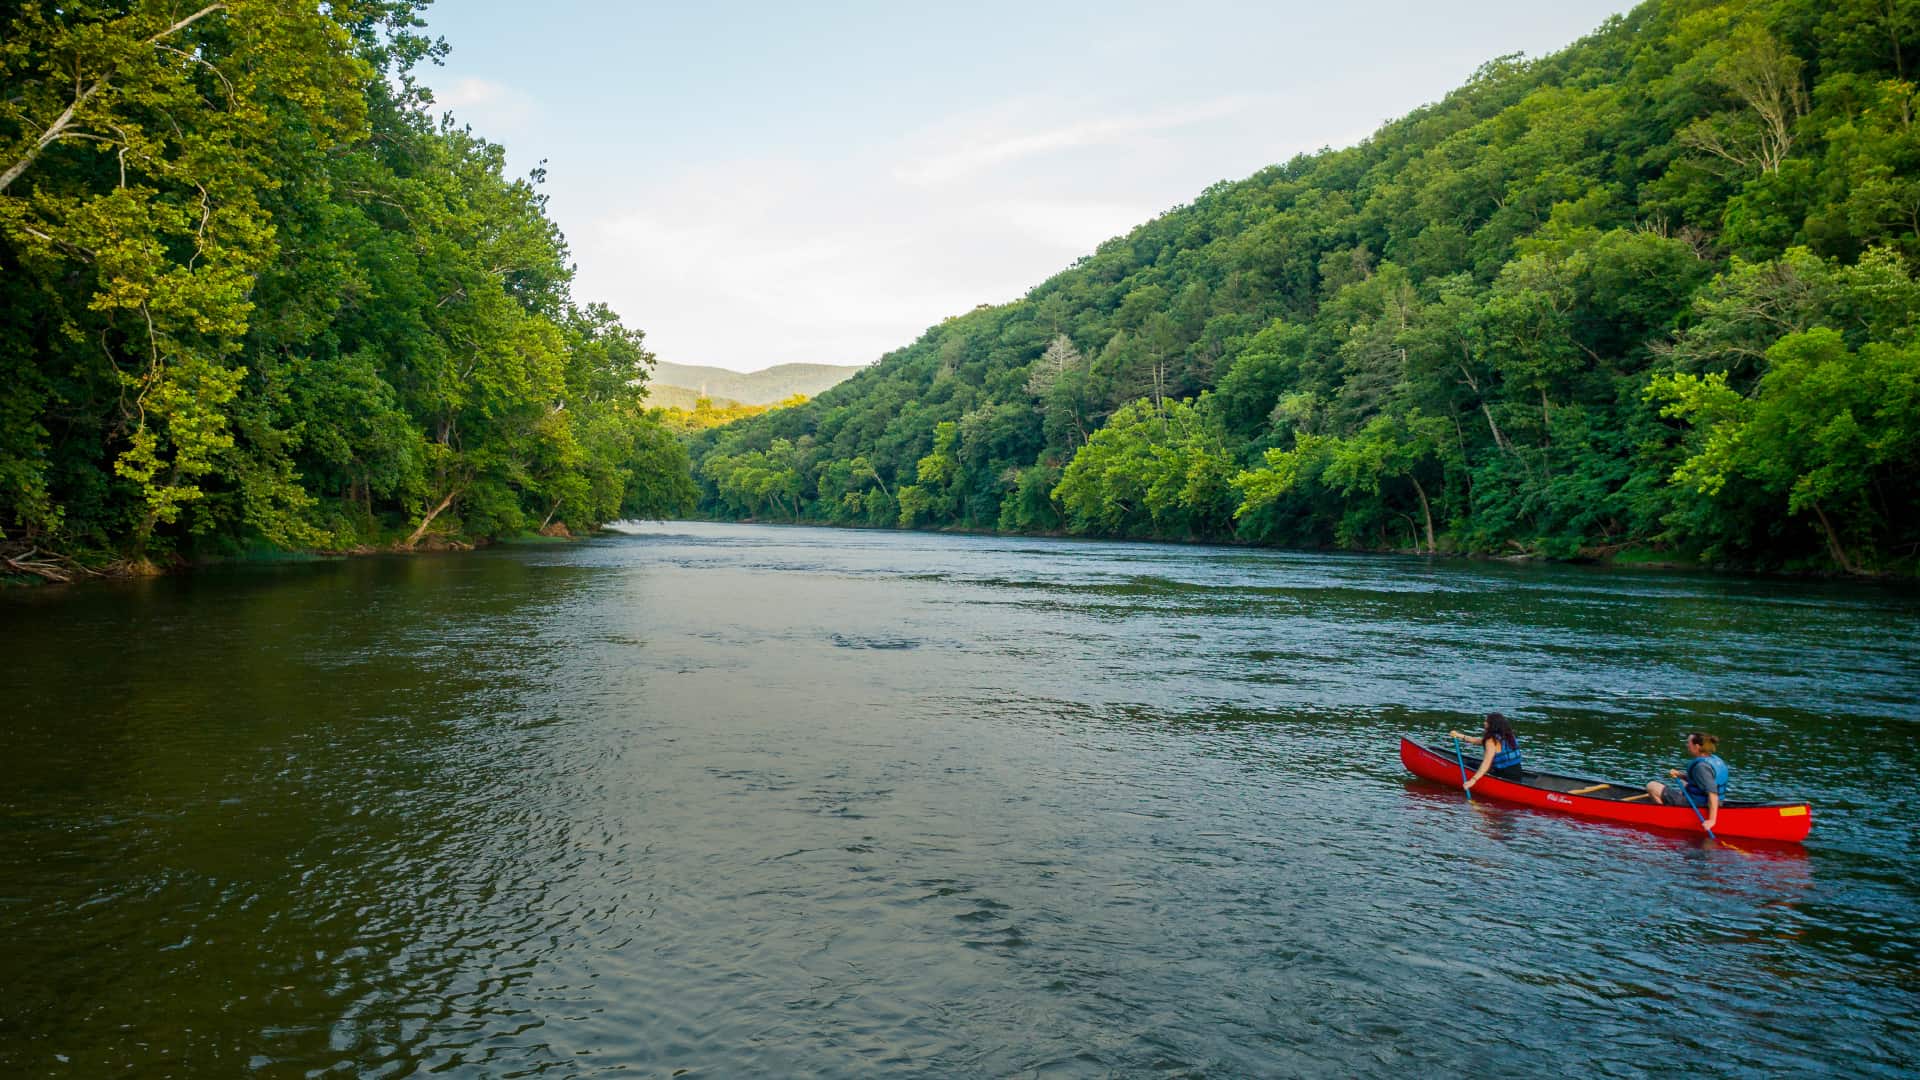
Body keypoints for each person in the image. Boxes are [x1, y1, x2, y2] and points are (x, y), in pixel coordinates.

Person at [1646, 732, 1728, 832]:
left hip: (1702, 803)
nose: (1687, 745)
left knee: (1652, 786)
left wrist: (1711, 820)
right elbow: (1700, 780)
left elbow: (1713, 793)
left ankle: (1667, 815)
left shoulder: (1701, 767)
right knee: (1684, 784)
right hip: (1715, 801)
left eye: (1688, 743)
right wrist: (1681, 775)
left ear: (1696, 746)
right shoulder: (1713, 759)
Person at [1447, 712, 1523, 791]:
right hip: (1517, 774)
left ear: (1493, 724)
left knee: (1470, 764)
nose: (1484, 723)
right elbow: (1478, 741)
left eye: (1487, 721)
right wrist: (1459, 735)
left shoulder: (1491, 740)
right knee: (1474, 763)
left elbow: (1487, 762)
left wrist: (1473, 780)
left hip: (1504, 775)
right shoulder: (1508, 735)